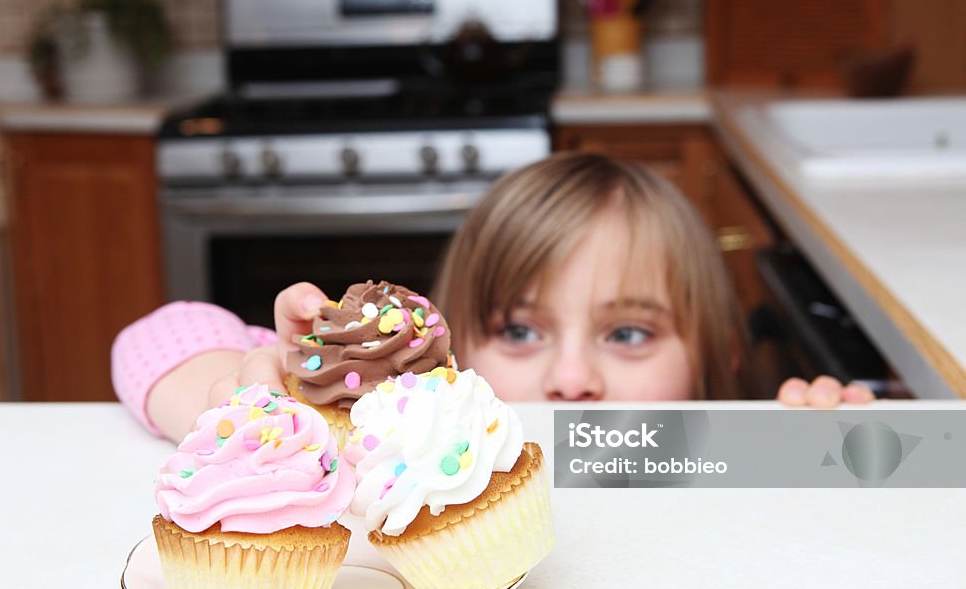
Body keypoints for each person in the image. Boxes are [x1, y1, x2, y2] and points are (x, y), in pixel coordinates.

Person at [113, 153, 873, 443]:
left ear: (719, 354)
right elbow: (166, 332)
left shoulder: (718, 466)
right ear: (451, 357)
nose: (571, 380)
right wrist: (245, 389)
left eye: (630, 334)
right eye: (519, 330)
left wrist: (817, 451)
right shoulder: (401, 439)